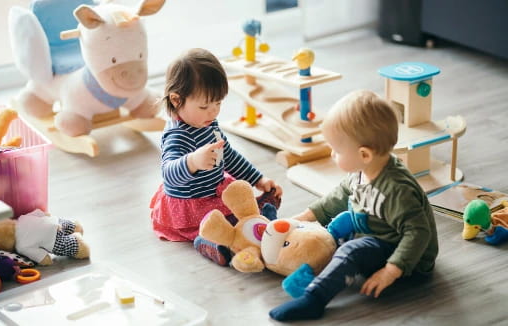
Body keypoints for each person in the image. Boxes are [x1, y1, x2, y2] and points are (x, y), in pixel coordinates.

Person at [269, 89, 439, 321]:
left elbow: (418, 233)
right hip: (375, 233)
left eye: (337, 150)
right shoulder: (362, 171)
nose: (331, 153)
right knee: (330, 237)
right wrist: (302, 218)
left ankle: (314, 299)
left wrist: (391, 270)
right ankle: (311, 271)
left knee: (350, 250)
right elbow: (339, 195)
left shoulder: (397, 190)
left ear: (365, 154)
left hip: (409, 259)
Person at [150, 48, 282, 265]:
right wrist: (192, 161)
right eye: (204, 106)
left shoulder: (208, 123)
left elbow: (228, 156)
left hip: (215, 190)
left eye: (218, 103)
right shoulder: (177, 136)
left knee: (238, 201)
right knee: (216, 225)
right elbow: (168, 175)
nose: (213, 112)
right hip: (191, 204)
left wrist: (258, 179)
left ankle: (258, 213)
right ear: (176, 100)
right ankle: (211, 244)